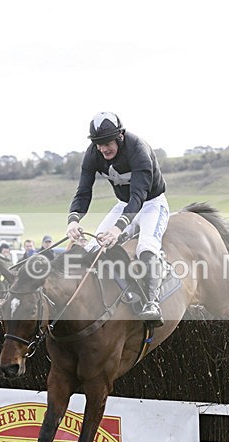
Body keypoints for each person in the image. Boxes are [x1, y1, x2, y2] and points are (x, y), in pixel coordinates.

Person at [66, 112, 169, 325]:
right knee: (94, 247)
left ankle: (152, 302)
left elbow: (138, 197)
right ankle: (125, 291)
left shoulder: (138, 149)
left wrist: (117, 229)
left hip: (151, 204)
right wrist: (74, 220)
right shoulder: (92, 154)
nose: (103, 149)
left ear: (120, 136)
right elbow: (83, 191)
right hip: (123, 204)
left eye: (107, 143)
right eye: (98, 144)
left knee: (146, 247)